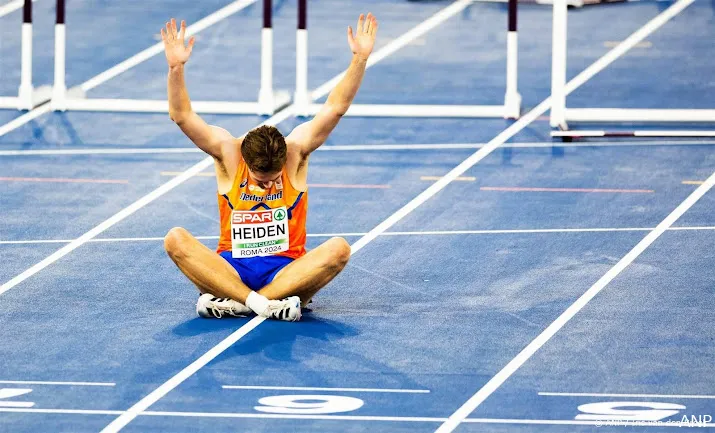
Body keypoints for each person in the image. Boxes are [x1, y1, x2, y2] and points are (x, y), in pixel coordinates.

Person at [160, 14, 378, 321]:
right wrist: (176, 68)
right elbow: (181, 115)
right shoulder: (228, 153)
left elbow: (335, 107)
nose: (267, 185)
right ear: (245, 160)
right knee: (175, 239)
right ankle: (262, 303)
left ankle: (239, 303)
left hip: (287, 273)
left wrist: (360, 58)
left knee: (339, 250)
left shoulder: (296, 152)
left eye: (273, 179)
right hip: (231, 269)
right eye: (260, 179)